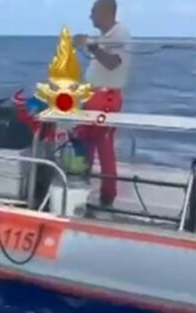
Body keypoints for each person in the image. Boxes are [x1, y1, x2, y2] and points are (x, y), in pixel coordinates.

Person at [73, 0, 131, 207]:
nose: (91, 17)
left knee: (103, 145)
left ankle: (108, 194)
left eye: (93, 12)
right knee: (84, 141)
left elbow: (112, 62)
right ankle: (81, 186)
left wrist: (90, 45)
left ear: (106, 12)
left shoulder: (120, 34)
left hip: (106, 96)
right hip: (94, 95)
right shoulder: (106, 37)